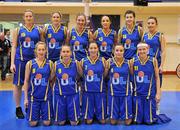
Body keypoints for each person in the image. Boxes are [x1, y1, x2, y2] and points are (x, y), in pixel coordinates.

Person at [10, 9, 42, 119]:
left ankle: (30, 104)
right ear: (24, 18)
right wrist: (12, 63)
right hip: (20, 60)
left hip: (34, 62)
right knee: (18, 84)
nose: (29, 18)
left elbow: (41, 45)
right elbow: (14, 46)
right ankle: (18, 108)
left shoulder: (38, 30)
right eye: (27, 16)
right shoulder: (18, 30)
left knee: (32, 84)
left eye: (30, 16)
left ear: (33, 17)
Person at [24, 41, 54, 127]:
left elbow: (51, 80)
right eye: (39, 50)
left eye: (43, 49)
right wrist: (25, 98)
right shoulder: (30, 63)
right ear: (36, 51)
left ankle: (43, 114)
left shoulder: (50, 63)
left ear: (46, 51)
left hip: (46, 97)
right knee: (33, 124)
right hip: (33, 97)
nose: (41, 52)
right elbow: (26, 81)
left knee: (47, 123)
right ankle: (36, 114)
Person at [130, 42, 161, 124]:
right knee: (137, 121)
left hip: (149, 94)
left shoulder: (153, 60)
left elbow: (157, 77)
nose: (142, 51)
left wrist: (158, 93)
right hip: (137, 94)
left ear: (148, 50)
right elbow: (132, 76)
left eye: (144, 49)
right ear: (137, 50)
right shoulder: (133, 61)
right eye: (140, 49)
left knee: (149, 122)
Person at [79, 42, 108, 124]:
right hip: (88, 92)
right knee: (88, 122)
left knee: (102, 121)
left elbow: (105, 75)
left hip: (100, 91)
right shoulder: (83, 61)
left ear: (98, 49)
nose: (93, 50)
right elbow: (81, 76)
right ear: (88, 49)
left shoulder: (103, 60)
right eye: (91, 48)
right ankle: (91, 114)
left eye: (95, 48)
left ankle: (98, 114)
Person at [142, 16, 166, 115]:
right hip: (146, 64)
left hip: (156, 64)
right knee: (147, 85)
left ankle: (157, 107)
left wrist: (162, 65)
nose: (150, 25)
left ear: (156, 24)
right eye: (149, 23)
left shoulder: (160, 36)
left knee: (157, 85)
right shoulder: (144, 36)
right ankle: (146, 106)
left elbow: (163, 51)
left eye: (152, 23)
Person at [53, 45, 80, 126]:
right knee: (61, 123)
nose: (65, 54)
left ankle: (71, 116)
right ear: (60, 53)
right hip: (60, 95)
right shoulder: (56, 64)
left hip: (72, 95)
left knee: (74, 123)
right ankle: (65, 116)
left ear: (71, 53)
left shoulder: (76, 63)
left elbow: (81, 75)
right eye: (63, 52)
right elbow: (52, 78)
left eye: (67, 52)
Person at [107, 44, 132, 125]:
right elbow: (104, 76)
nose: (119, 52)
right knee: (113, 122)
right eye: (117, 50)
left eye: (121, 50)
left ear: (124, 52)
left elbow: (132, 76)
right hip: (113, 93)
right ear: (113, 51)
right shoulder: (109, 62)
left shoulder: (129, 63)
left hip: (125, 93)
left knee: (127, 123)